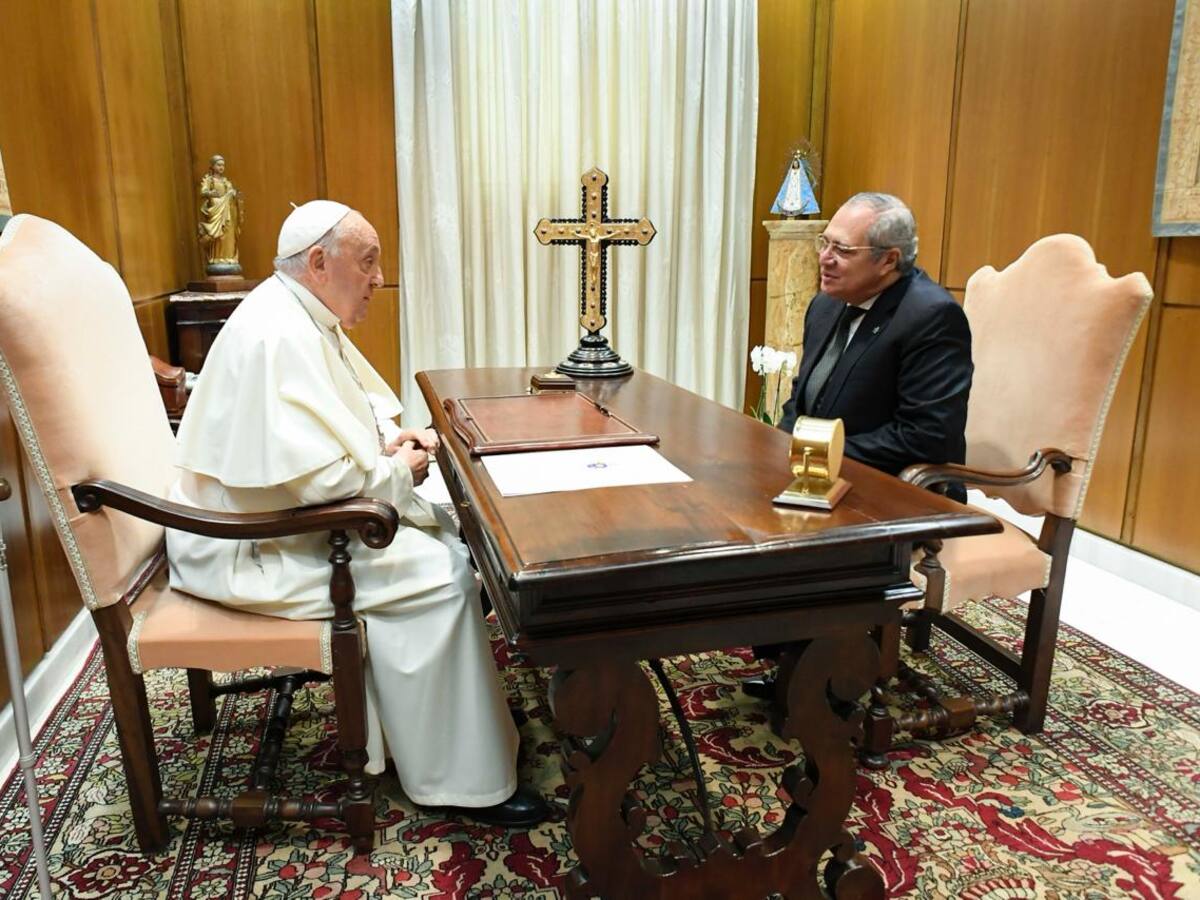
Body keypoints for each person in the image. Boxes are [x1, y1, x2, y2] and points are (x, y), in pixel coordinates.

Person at [166, 200, 547, 826]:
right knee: (444, 572)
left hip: (282, 523)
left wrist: (389, 445)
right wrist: (400, 471)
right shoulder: (276, 333)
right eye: (368, 262)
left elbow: (335, 430)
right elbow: (313, 482)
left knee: (451, 538)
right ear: (319, 262)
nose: (378, 278)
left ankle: (438, 728)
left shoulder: (298, 312)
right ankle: (461, 780)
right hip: (248, 549)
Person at [744, 192, 973, 701]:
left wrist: (815, 455)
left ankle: (829, 683)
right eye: (825, 244)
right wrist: (781, 450)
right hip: (827, 474)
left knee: (798, 545)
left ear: (888, 260)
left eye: (842, 250)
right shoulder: (827, 303)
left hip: (900, 489)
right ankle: (792, 657)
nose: (824, 258)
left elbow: (928, 435)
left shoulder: (932, 316)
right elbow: (801, 401)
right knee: (745, 512)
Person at [197, 154, 242, 274]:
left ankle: (229, 257)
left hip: (228, 212)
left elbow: (232, 193)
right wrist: (211, 193)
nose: (221, 167)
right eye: (219, 165)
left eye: (223, 165)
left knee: (228, 233)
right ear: (212, 166)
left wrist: (234, 194)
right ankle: (217, 258)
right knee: (218, 236)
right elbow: (203, 192)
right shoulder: (209, 180)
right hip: (216, 210)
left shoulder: (226, 182)